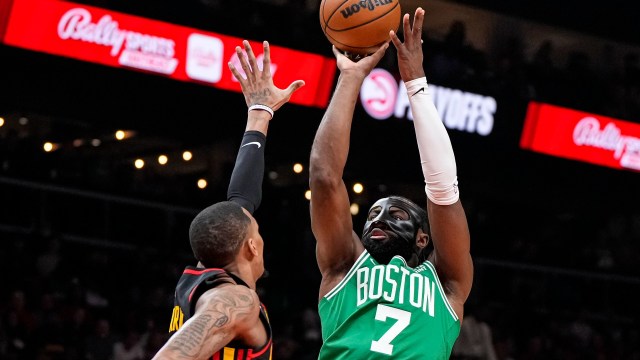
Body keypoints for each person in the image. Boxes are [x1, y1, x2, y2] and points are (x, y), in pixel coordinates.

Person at [309, 7, 473, 359]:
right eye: (372, 214)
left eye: (395, 213)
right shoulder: (344, 266)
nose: (378, 219)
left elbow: (443, 190)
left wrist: (415, 83)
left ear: (422, 237)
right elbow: (324, 178)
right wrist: (350, 77)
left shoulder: (447, 283)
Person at [152, 40, 304, 360]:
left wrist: (260, 112)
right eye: (257, 232)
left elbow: (241, 200)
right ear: (250, 247)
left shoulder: (198, 273)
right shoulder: (237, 301)